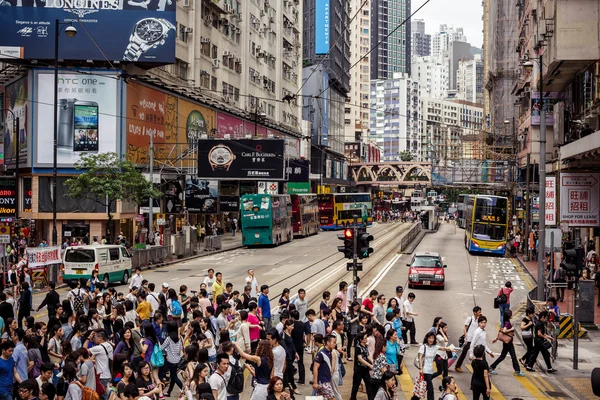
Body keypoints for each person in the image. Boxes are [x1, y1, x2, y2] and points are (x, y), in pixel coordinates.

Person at [416, 332, 451, 400]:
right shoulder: (423, 347)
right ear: (427, 338)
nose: (431, 340)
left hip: (430, 370)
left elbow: (443, 348)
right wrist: (420, 368)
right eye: (430, 338)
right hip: (425, 370)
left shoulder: (435, 347)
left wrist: (451, 349)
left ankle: (415, 398)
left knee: (424, 388)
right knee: (430, 389)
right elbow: (420, 357)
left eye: (432, 338)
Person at [490, 310, 525, 376]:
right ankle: (517, 370)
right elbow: (504, 330)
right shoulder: (507, 323)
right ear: (509, 316)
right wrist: (511, 329)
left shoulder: (505, 322)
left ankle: (491, 367)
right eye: (511, 314)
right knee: (513, 356)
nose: (512, 315)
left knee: (503, 356)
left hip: (507, 342)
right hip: (508, 342)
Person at [455, 305, 481, 373]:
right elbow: (465, 328)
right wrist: (466, 337)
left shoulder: (478, 320)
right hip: (468, 339)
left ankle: (478, 368)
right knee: (464, 353)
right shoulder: (470, 319)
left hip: (475, 339)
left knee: (478, 353)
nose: (480, 313)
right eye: (479, 312)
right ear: (475, 312)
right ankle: (458, 366)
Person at [349, 332, 373, 400]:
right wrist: (369, 365)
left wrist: (373, 362)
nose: (366, 339)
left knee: (368, 384)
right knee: (356, 385)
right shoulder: (358, 347)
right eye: (365, 338)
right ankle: (353, 398)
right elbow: (360, 359)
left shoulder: (365, 346)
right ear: (361, 340)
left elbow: (368, 356)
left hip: (365, 369)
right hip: (359, 369)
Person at [312, 335, 337, 400]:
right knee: (332, 398)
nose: (335, 344)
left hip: (326, 380)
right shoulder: (321, 353)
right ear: (328, 343)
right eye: (334, 342)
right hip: (323, 382)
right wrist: (315, 382)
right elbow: (315, 368)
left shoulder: (330, 352)